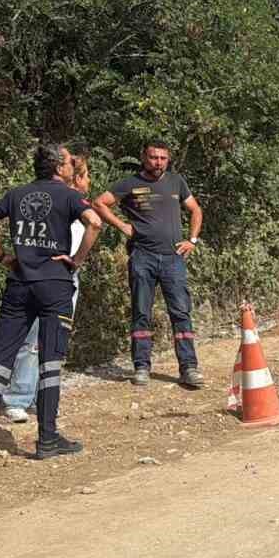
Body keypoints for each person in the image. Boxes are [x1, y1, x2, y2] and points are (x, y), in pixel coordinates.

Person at [0, 144, 101, 459]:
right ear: (58, 167)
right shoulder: (69, 196)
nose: (73, 167)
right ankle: (47, 439)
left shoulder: (17, 194)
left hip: (19, 282)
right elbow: (95, 223)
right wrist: (76, 260)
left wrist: (2, 256)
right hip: (55, 284)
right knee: (50, 361)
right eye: (69, 163)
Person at [94, 141, 205, 388]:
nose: (158, 162)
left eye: (163, 158)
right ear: (144, 157)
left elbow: (195, 210)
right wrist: (122, 226)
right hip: (142, 256)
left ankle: (189, 367)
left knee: (180, 312)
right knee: (141, 312)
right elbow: (99, 202)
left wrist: (192, 240)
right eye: (154, 157)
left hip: (173, 258)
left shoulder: (176, 181)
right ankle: (141, 367)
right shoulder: (129, 183)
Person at [0, 154, 91, 423]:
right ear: (74, 176)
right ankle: (17, 398)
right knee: (32, 340)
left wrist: (75, 263)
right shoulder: (59, 200)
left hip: (67, 277)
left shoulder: (77, 204)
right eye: (86, 175)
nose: (89, 181)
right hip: (46, 276)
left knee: (54, 342)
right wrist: (76, 260)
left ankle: (44, 400)